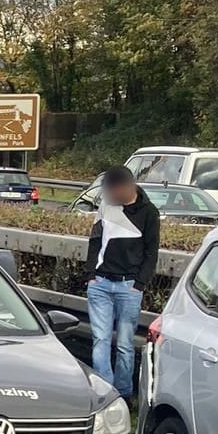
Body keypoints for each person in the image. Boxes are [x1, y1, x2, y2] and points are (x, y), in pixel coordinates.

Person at [84, 166, 161, 400]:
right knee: (100, 341)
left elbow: (152, 251)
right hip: (101, 284)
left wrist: (139, 283)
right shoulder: (106, 206)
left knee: (125, 345)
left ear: (128, 186)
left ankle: (124, 395)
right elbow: (95, 240)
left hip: (129, 286)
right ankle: (105, 394)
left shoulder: (149, 212)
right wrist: (90, 275)